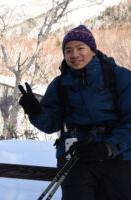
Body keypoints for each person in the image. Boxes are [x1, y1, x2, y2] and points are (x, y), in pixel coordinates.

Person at [18, 25, 131, 200]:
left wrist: (108, 147)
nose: (74, 55)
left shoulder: (119, 77)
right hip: (76, 157)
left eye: (80, 48)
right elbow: (51, 123)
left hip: (117, 156)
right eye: (68, 50)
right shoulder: (60, 84)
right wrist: (35, 111)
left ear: (93, 50)